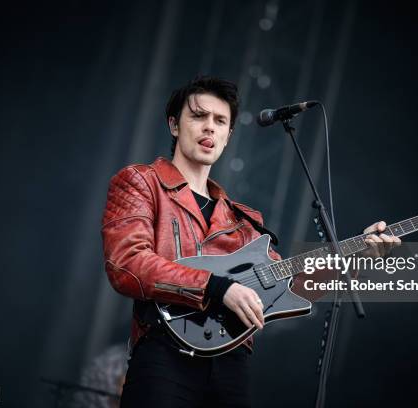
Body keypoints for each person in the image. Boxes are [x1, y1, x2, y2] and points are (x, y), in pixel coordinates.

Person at [101, 75, 399, 408]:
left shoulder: (245, 219)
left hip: (231, 364)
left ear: (228, 136)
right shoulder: (142, 182)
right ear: (174, 125)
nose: (209, 128)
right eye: (198, 116)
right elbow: (126, 263)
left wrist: (358, 256)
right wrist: (217, 287)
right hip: (165, 354)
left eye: (220, 121)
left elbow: (291, 287)